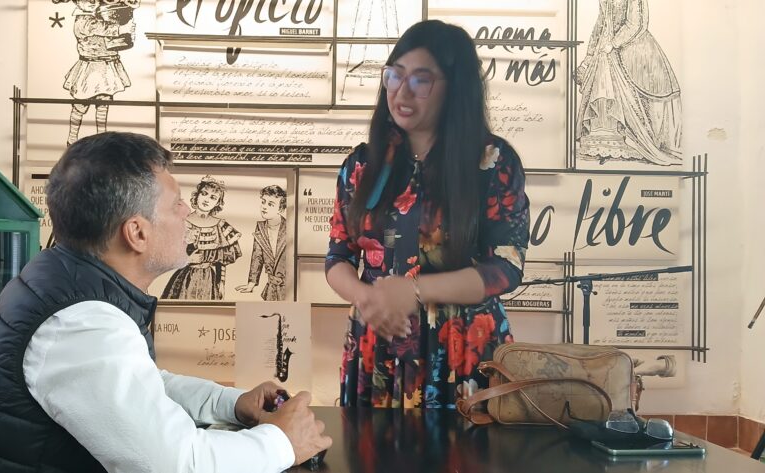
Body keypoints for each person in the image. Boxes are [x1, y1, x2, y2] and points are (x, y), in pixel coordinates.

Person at [0, 132, 331, 472]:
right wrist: (283, 441)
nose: (188, 210)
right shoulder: (81, 323)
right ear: (137, 233)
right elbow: (177, 464)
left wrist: (232, 404)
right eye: (176, 203)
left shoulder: (66, 281)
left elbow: (136, 385)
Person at [325, 20, 531, 409]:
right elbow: (337, 256)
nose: (402, 92)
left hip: (461, 350)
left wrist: (415, 290)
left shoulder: (492, 162)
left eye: (421, 80)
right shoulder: (362, 165)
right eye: (394, 75)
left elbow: (506, 267)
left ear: (455, 88)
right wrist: (368, 300)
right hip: (377, 345)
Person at [575, 0, 682, 166]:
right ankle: (607, 143)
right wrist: (589, 56)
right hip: (606, 51)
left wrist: (613, 44)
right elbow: (601, 23)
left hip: (633, 50)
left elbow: (636, 24)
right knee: (602, 89)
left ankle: (635, 143)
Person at [55, 0, 139, 144]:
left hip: (106, 65)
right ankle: (72, 137)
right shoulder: (83, 20)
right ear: (78, 2)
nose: (93, 2)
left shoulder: (100, 15)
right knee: (81, 105)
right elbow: (100, 28)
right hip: (90, 68)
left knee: (103, 104)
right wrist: (122, 27)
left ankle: (102, 137)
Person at [161, 176, 242, 300]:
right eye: (204, 194)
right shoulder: (182, 222)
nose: (207, 200)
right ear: (197, 195)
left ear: (218, 203)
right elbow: (165, 255)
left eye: (213, 197)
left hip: (209, 279)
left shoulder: (221, 226)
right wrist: (187, 259)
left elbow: (223, 260)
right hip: (185, 278)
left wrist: (221, 283)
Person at [236, 185, 288, 301]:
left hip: (289, 289)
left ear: (280, 209)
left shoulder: (290, 227)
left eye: (270, 204)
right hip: (271, 290)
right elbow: (257, 256)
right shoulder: (260, 227)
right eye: (263, 202)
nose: (264, 207)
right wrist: (251, 283)